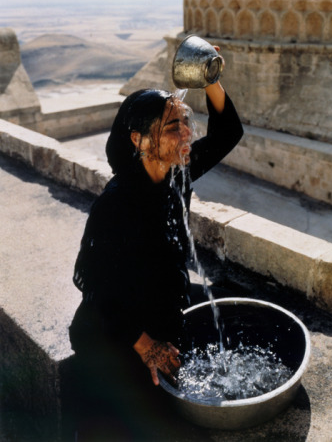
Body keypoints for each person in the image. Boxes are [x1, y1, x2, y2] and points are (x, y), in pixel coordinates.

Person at [67, 57, 243, 441]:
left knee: (234, 305)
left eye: (185, 123)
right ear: (139, 139)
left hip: (159, 304)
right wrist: (147, 347)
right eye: (171, 126)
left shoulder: (176, 172)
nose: (185, 136)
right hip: (113, 329)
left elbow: (228, 131)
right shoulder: (116, 205)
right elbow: (95, 288)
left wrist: (210, 77)